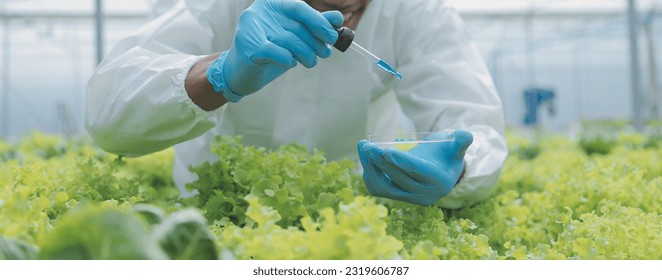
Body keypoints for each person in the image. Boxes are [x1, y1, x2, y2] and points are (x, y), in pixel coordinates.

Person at [85, 0, 508, 208]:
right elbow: (108, 114)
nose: (343, 17)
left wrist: (457, 169)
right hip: (213, 216)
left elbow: (473, 123)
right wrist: (218, 75)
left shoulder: (417, 10)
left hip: (354, 218)